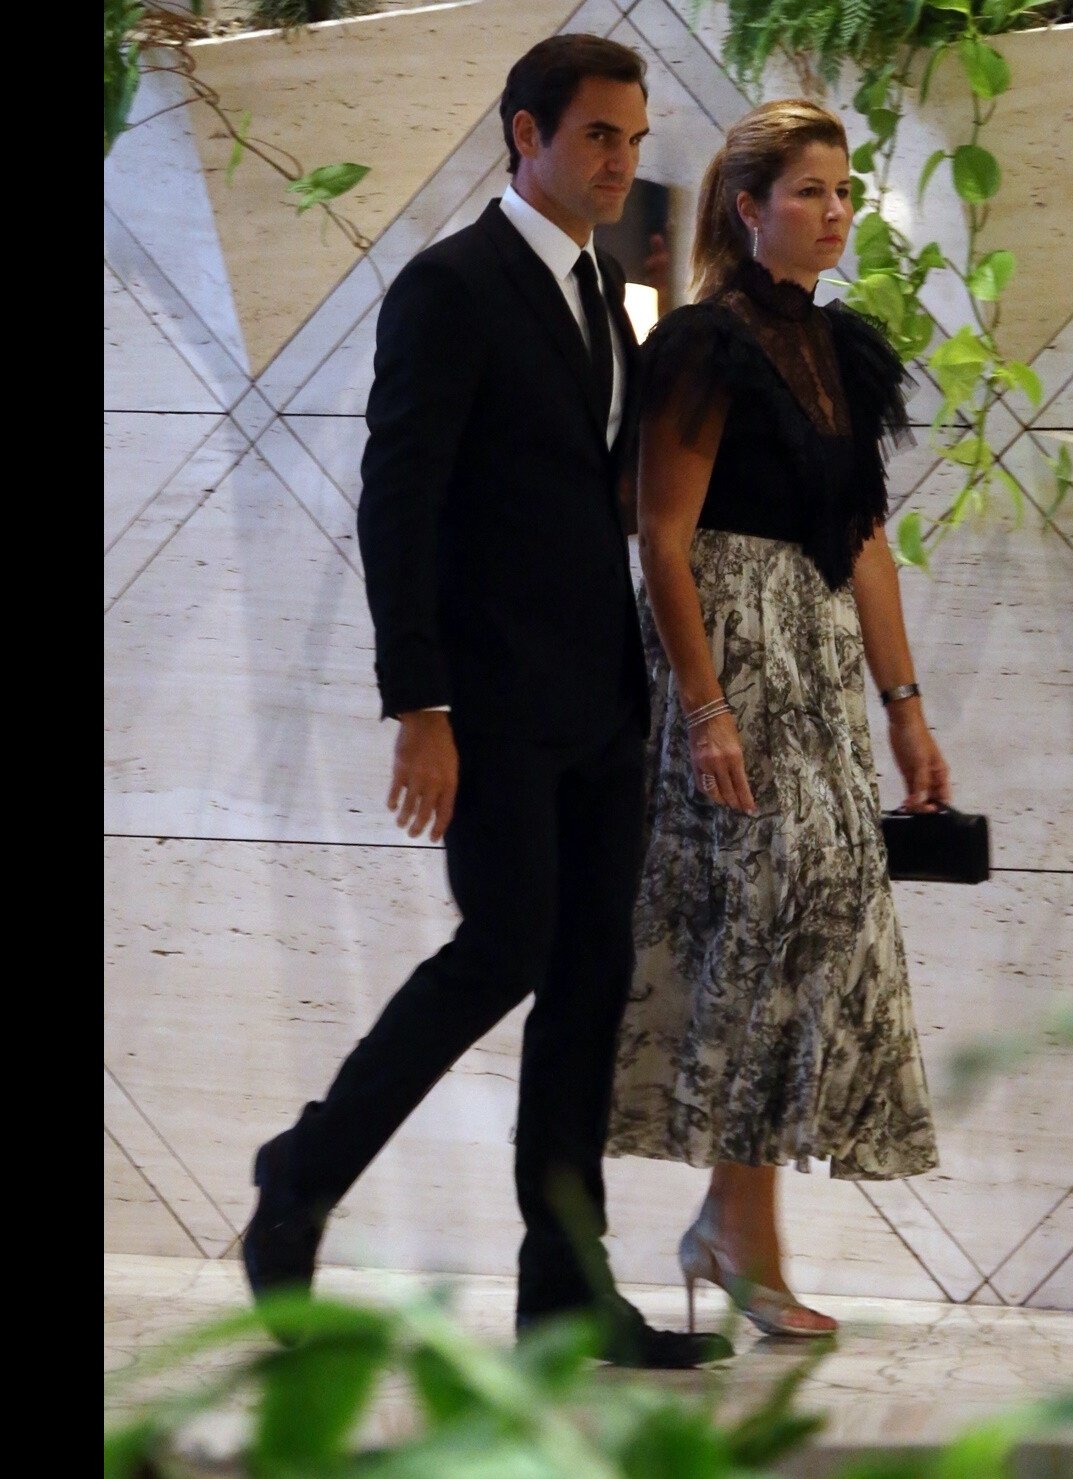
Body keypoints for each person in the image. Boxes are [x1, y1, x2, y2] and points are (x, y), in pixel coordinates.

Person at [241, 33, 731, 1371]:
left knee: (584, 984)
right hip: (496, 702)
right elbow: (398, 503)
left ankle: (564, 1286)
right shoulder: (449, 290)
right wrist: (423, 702)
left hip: (602, 705)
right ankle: (303, 1171)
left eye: (633, 138)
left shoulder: (606, 291)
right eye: (596, 137)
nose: (621, 162)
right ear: (525, 135)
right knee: (506, 947)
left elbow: (600, 494)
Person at [606, 99, 950, 1339]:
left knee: (818, 928)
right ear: (747, 208)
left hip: (815, 665)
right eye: (809, 192)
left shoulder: (843, 349)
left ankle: (731, 1226)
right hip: (733, 663)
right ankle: (737, 1238)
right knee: (760, 929)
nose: (835, 211)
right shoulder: (702, 343)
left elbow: (863, 542)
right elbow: (661, 533)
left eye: (844, 191)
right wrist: (703, 706)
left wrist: (906, 711)